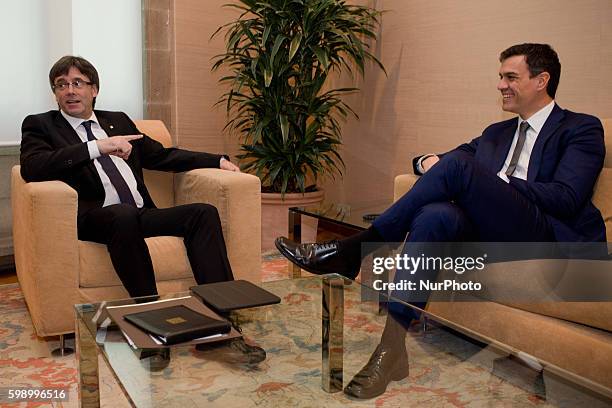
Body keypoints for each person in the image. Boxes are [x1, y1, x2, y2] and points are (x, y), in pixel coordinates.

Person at [276, 43, 606, 398]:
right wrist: (426, 163)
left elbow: (567, 197)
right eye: (500, 77)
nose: (500, 86)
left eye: (511, 77)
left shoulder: (580, 128)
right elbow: (438, 161)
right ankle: (391, 351)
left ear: (542, 80)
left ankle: (356, 248)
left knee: (461, 170)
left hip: (545, 235)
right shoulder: (497, 133)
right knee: (436, 215)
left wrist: (499, 183)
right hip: (491, 233)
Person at [20, 55, 242, 297]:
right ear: (55, 93)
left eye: (77, 83)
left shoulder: (117, 120)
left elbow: (161, 156)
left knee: (203, 213)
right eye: (61, 84)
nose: (70, 91)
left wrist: (216, 160)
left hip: (140, 214)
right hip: (93, 219)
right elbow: (32, 167)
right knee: (122, 214)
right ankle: (149, 307)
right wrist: (97, 147)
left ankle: (224, 303)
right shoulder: (42, 125)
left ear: (93, 89)